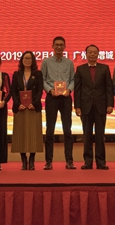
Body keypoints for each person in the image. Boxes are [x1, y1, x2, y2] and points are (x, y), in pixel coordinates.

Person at [74, 44, 114, 170]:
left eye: (94, 52)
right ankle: (88, 162)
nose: (92, 54)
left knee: (100, 135)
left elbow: (108, 87)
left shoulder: (104, 68)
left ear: (98, 54)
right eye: (90, 52)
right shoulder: (80, 69)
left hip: (101, 106)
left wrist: (110, 104)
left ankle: (101, 162)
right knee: (87, 135)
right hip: (85, 106)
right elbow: (77, 89)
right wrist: (77, 106)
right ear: (86, 54)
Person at [41, 36, 76, 170]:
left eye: (61, 45)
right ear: (52, 46)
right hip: (52, 97)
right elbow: (42, 79)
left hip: (66, 98)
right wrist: (50, 90)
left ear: (65, 47)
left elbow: (73, 79)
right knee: (50, 130)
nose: (59, 47)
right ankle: (48, 161)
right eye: (57, 45)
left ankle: (69, 161)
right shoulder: (46, 62)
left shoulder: (69, 63)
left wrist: (69, 90)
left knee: (67, 130)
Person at [11, 51, 44, 170]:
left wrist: (34, 103)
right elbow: (13, 91)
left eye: (30, 58)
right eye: (25, 58)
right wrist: (17, 104)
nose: (27, 60)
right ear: (21, 60)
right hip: (20, 108)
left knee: (33, 134)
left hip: (33, 108)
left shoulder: (38, 74)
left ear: (33, 60)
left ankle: (32, 160)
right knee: (21, 134)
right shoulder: (17, 74)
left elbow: (40, 90)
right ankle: (23, 160)